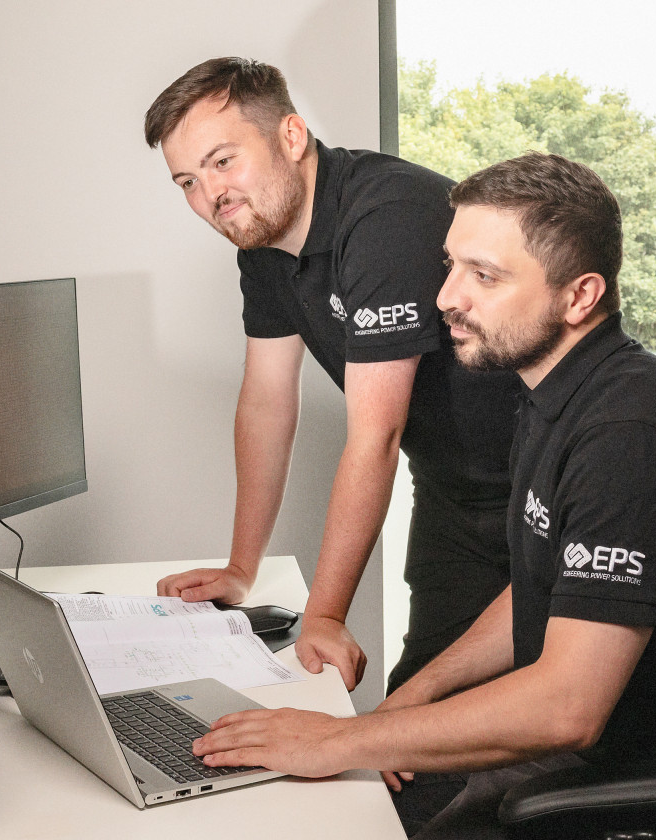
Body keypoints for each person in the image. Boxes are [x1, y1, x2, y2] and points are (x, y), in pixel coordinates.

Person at [187, 152, 656, 839]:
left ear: (579, 296)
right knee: (340, 797)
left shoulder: (629, 437)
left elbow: (567, 707)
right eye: (450, 266)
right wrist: (412, 698)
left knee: (341, 807)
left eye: (485, 276)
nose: (446, 296)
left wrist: (335, 741)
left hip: (649, 790)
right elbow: (540, 588)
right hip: (584, 754)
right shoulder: (550, 392)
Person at [143, 58, 519, 697]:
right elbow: (266, 402)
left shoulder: (384, 217)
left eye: (223, 160)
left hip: (549, 488)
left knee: (521, 736)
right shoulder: (262, 246)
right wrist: (242, 567)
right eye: (187, 180)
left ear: (290, 137)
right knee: (415, 719)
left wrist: (324, 614)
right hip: (456, 494)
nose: (211, 194)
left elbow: (377, 433)